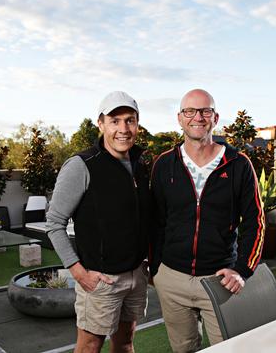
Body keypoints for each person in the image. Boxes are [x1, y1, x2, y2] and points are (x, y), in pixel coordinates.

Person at [150, 88, 264, 352]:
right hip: (172, 278)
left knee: (229, 348)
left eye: (205, 111)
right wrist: (156, 268)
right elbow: (155, 221)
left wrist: (242, 269)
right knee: (183, 349)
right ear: (180, 118)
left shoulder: (238, 164)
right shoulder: (164, 164)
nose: (197, 117)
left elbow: (255, 222)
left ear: (215, 117)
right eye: (190, 111)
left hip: (218, 279)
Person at [43, 91, 151, 353]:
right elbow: (54, 223)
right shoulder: (81, 165)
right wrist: (78, 272)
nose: (123, 129)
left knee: (125, 343)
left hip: (136, 275)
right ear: (101, 124)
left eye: (130, 120)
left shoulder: (141, 163)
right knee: (90, 346)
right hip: (101, 280)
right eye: (115, 121)